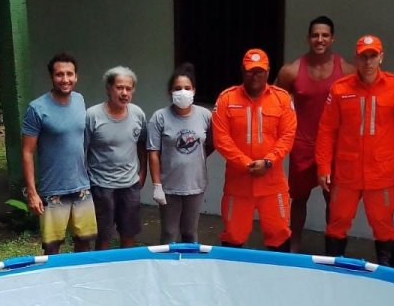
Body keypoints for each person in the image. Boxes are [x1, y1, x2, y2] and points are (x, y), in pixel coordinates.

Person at [315, 34, 394, 263]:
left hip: (380, 174)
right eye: (364, 57)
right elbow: (326, 129)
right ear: (356, 59)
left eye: (373, 56)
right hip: (346, 172)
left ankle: (386, 278)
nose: (368, 62)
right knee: (337, 223)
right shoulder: (341, 88)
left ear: (381, 57)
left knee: (384, 226)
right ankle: (332, 274)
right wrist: (323, 166)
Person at [275, 16, 355, 252]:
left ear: (332, 38)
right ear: (308, 38)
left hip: (334, 146)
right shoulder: (292, 70)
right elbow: (274, 101)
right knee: (298, 198)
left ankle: (333, 247)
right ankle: (295, 245)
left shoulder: (346, 70)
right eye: (315, 35)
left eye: (325, 35)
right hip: (303, 143)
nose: (320, 39)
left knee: (334, 199)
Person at [211, 49, 298, 250]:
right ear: (243, 71)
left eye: (260, 71)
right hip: (238, 183)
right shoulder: (227, 99)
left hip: (272, 183)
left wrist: (268, 161)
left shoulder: (282, 99)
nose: (255, 75)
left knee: (279, 233)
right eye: (250, 71)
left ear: (268, 72)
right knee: (233, 235)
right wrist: (246, 163)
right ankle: (231, 280)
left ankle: (279, 279)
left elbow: (287, 136)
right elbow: (221, 139)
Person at [22, 53, 96, 255]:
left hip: (82, 186)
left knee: (84, 242)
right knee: (52, 246)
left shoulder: (80, 100)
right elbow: (27, 152)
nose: (65, 79)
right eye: (59, 74)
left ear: (76, 76)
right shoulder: (37, 109)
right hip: (53, 189)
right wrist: (32, 192)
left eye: (69, 74)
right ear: (51, 77)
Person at [148, 63, 213, 244]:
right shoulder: (159, 117)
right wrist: (157, 185)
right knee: (169, 234)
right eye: (178, 88)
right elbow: (153, 152)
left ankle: (189, 269)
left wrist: (195, 157)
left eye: (187, 88)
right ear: (170, 92)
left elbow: (213, 143)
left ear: (194, 90)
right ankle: (167, 269)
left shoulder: (205, 116)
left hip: (195, 184)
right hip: (169, 187)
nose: (182, 92)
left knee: (190, 234)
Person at [86, 66, 148, 249]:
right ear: (108, 89)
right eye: (119, 87)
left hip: (130, 185)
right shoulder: (92, 115)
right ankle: (102, 269)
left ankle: (126, 272)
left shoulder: (138, 114)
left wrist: (143, 172)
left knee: (129, 234)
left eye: (129, 89)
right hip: (101, 186)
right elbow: (82, 149)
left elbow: (142, 144)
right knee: (103, 235)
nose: (124, 93)